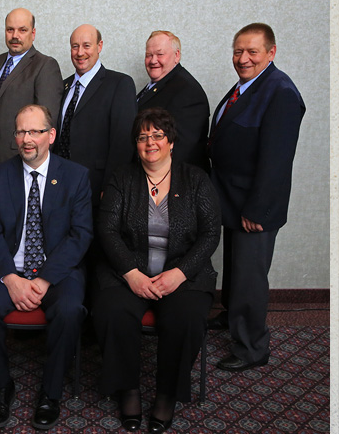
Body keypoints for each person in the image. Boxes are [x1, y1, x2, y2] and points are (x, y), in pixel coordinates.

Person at [93, 107, 221, 434]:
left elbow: (210, 233)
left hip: (181, 274)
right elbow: (107, 230)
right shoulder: (122, 178)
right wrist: (131, 273)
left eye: (157, 135)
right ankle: (128, 390)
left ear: (171, 141)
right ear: (135, 144)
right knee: (112, 311)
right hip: (128, 272)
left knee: (186, 318)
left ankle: (167, 395)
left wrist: (180, 273)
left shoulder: (196, 179)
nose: (150, 142)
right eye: (142, 137)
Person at [0, 105, 92, 430]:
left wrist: (45, 279)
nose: (27, 139)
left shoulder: (76, 176)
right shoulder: (0, 175)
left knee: (69, 311)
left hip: (57, 274)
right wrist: (11, 279)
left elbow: (80, 235)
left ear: (50, 135)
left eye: (35, 131)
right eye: (21, 132)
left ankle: (50, 393)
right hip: (10, 269)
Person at [207, 23, 305, 372]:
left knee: (250, 277)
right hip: (232, 198)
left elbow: (276, 160)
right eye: (238, 51)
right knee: (236, 268)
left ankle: (252, 348)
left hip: (254, 205)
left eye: (252, 51)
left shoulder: (281, 92)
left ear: (271, 52)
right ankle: (232, 316)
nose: (243, 58)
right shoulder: (246, 87)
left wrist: (257, 208)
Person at [53, 23, 137, 212]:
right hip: (60, 188)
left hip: (97, 190)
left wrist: (111, 187)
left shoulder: (119, 84)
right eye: (75, 46)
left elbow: (123, 143)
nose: (80, 52)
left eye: (86, 45)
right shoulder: (63, 86)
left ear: (99, 46)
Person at [0, 8, 63, 167]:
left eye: (22, 30)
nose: (15, 36)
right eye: (10, 30)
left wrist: (34, 167)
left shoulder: (45, 65)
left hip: (22, 161)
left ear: (33, 33)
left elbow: (47, 124)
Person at [137, 31, 210, 172]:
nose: (153, 61)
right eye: (149, 55)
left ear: (177, 56)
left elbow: (183, 149)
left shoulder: (187, 90)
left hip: (171, 178)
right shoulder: (158, 84)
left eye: (160, 54)